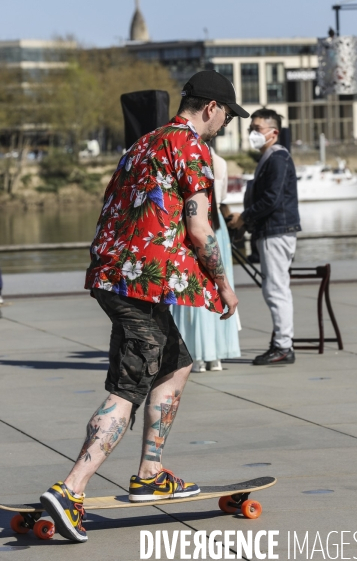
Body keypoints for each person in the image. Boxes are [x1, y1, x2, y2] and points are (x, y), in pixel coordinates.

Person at [40, 70, 248, 543]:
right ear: (211, 108)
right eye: (226, 118)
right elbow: (199, 229)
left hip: (117, 276)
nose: (224, 127)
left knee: (175, 363)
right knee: (129, 386)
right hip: (139, 283)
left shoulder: (144, 143)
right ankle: (71, 489)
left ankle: (150, 472)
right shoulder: (191, 146)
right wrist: (224, 285)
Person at [228, 108, 301, 366]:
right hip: (272, 231)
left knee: (276, 290)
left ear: (273, 133)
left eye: (257, 129)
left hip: (276, 232)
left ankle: (283, 346)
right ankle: (282, 343)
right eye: (251, 129)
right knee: (275, 289)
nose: (252, 134)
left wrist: (244, 217)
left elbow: (272, 199)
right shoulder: (270, 158)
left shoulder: (277, 158)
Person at [171, 149, 241, 372]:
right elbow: (222, 198)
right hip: (216, 224)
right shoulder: (220, 162)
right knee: (216, 285)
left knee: (193, 284)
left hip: (195, 221)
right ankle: (215, 355)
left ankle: (195, 353)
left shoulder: (185, 158)